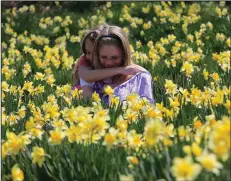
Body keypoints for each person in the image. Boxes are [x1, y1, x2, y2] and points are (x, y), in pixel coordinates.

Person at [72, 24, 142, 98]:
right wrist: (119, 70)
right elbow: (86, 76)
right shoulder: (85, 60)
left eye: (95, 53)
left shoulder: (116, 60)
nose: (91, 57)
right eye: (88, 52)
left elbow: (137, 73)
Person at [92, 25, 154, 104]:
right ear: (97, 55)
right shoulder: (94, 78)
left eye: (115, 58)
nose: (109, 63)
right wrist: (119, 70)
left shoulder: (141, 77)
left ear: (124, 55)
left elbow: (147, 107)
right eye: (103, 57)